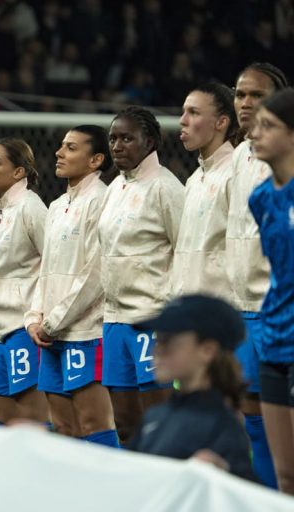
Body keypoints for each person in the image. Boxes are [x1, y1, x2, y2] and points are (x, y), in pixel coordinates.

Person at [26, 126, 119, 447]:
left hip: (86, 331)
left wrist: (52, 322)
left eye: (70, 148)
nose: (59, 153)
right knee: (63, 426)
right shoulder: (56, 205)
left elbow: (96, 272)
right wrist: (35, 317)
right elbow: (46, 268)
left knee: (94, 423)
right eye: (61, 146)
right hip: (51, 333)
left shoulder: (102, 200)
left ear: (95, 160)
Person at [98, 107, 185, 443]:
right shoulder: (114, 189)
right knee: (124, 422)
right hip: (115, 320)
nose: (117, 146)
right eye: (113, 138)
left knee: (159, 420)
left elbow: (183, 252)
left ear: (149, 142)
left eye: (126, 138)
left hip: (152, 319)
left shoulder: (166, 188)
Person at [226, 62, 288, 489]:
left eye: (257, 97)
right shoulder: (241, 162)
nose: (246, 104)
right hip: (249, 309)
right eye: (241, 95)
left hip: (273, 308)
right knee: (251, 416)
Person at [127, 295, 255, 482]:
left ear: (207, 350)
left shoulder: (222, 425)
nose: (156, 350)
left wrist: (225, 474)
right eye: (158, 339)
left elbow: (243, 497)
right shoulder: (153, 417)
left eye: (169, 340)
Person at [0, 138, 49, 425]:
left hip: (23, 327)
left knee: (31, 420)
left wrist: (40, 315)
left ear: (19, 172)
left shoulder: (31, 208)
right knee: (4, 417)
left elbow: (52, 263)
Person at [248, 87, 294, 494]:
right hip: (273, 338)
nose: (254, 134)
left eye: (268, 126)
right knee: (285, 477)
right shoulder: (260, 198)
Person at [173, 82, 238, 299]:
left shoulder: (236, 174)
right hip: (189, 308)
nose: (183, 120)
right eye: (183, 112)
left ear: (221, 122)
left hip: (223, 312)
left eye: (194, 112)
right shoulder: (193, 180)